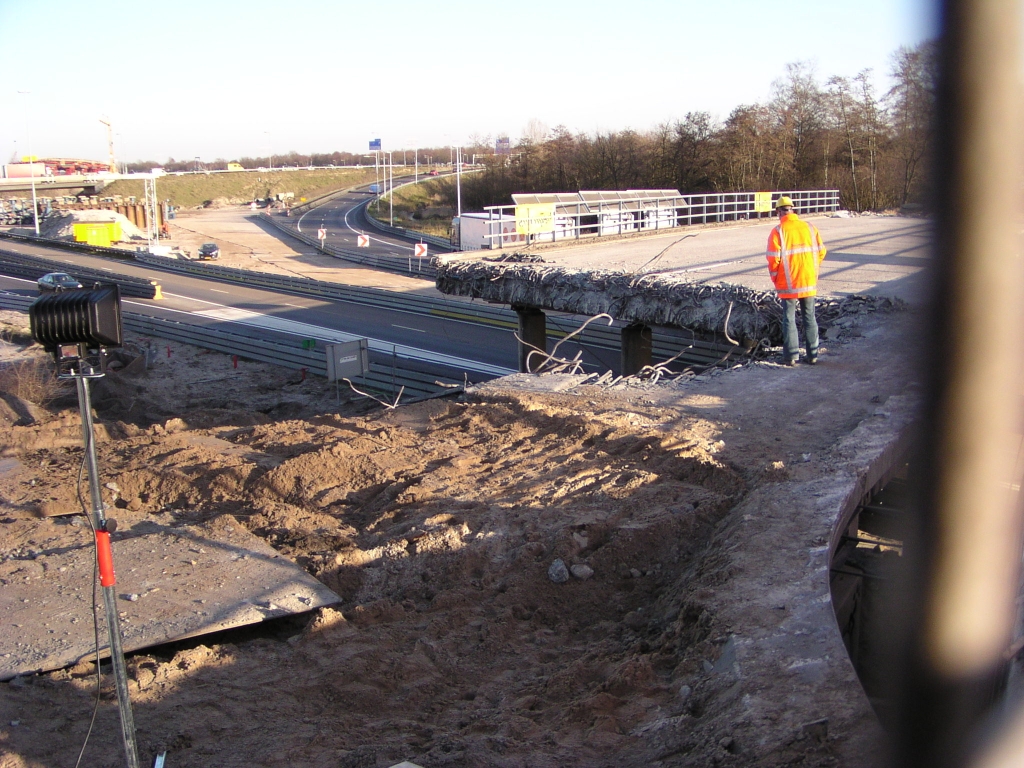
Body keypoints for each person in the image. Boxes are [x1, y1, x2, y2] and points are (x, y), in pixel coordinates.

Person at [765, 195, 827, 366]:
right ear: (792, 209)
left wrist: (776, 278)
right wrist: (811, 269)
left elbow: (773, 259)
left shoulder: (778, 231)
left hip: (788, 283)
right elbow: (821, 252)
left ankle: (791, 357)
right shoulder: (809, 227)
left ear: (778, 212)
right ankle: (813, 355)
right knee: (809, 317)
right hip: (808, 281)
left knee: (789, 318)